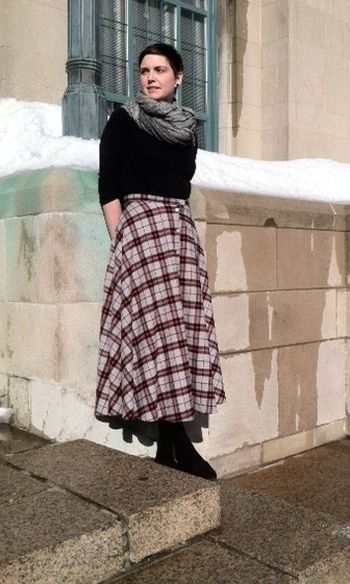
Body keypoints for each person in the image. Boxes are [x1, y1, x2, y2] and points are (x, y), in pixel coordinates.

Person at [95, 43, 225, 480]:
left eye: (160, 70)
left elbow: (181, 185)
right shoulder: (123, 121)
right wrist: (124, 240)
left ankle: (170, 447)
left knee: (179, 335)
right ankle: (179, 445)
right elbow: (108, 185)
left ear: (179, 77)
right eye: (144, 70)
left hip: (179, 231)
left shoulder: (187, 128)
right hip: (141, 230)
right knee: (156, 336)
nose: (150, 77)